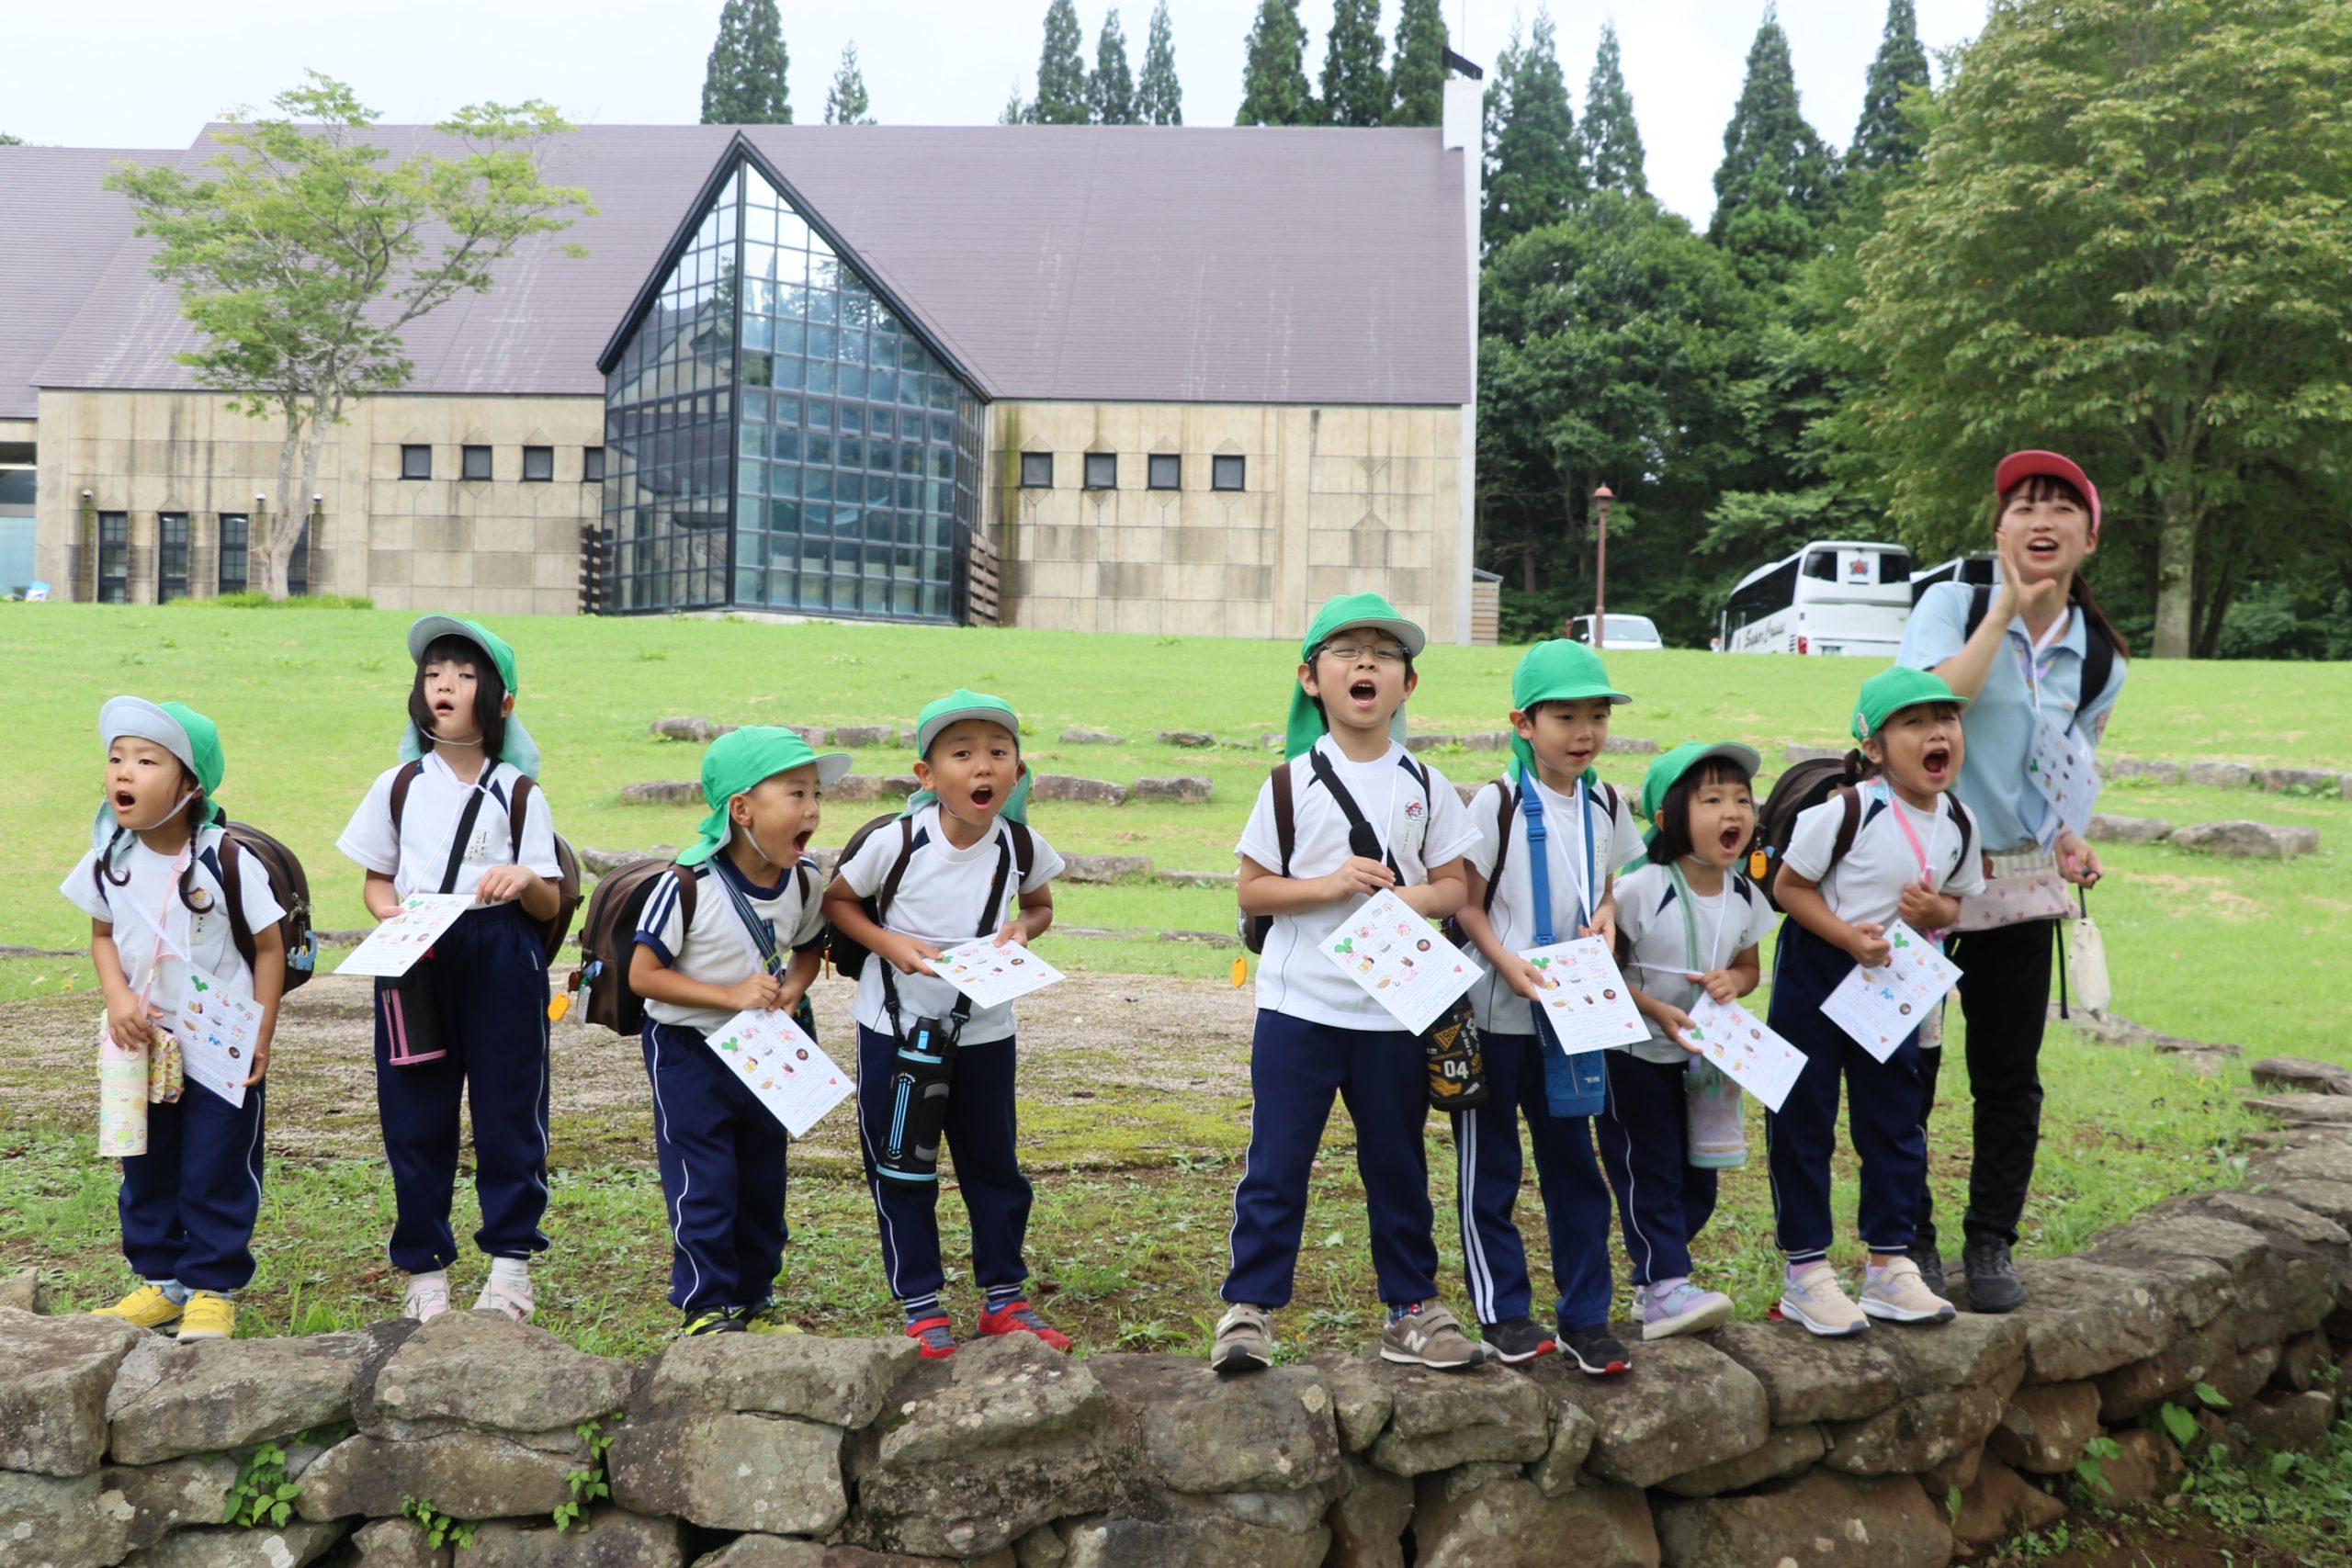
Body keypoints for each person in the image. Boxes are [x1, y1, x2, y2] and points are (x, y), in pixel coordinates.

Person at [1211, 592, 1483, 1376]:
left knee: (1397, 1160)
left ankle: (1412, 1307)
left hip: (1395, 1010)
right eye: (1347, 650)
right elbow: (1253, 890)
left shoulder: (1427, 786)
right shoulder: (1288, 786)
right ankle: (1249, 1309)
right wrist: (1330, 884)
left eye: (1386, 653)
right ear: (1310, 678)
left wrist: (1410, 898)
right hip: (1300, 1006)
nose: (1367, 662)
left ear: (1408, 686)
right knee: (1278, 1158)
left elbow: (1455, 888)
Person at [1898, 450, 2128, 1312]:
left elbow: (2070, 765)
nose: (2041, 519)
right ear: (1998, 530)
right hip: (1918, 882)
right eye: (2024, 505)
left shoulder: (2100, 658)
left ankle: (1989, 1240)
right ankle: (1904, 1239)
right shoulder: (1950, 606)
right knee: (1906, 1069)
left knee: (2007, 1076)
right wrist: (2003, 613)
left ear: (2088, 537)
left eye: (2062, 507)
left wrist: (2071, 836)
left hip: (2020, 884)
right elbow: (1926, 706)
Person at [824, 690, 1067, 1359]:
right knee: (902, 1165)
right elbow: (839, 903)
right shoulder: (895, 841)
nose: (982, 766)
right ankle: (922, 1304)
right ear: (926, 774)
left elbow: (1041, 904)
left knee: (994, 1163)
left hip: (986, 1030)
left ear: (1017, 770)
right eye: (961, 754)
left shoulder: (1019, 842)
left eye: (997, 752)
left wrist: (1022, 929)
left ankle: (1003, 1298)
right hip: (893, 1030)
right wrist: (891, 945)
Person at [335, 615, 565, 1325]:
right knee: (414, 1110)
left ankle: (510, 1265)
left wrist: (521, 878)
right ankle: (425, 1269)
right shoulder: (397, 784)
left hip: (501, 952)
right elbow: (377, 880)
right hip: (415, 957)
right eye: (435, 673)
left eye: (465, 675)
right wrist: (391, 915)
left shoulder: (519, 792)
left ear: (501, 700)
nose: (446, 685)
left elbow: (551, 896)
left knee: (509, 1108)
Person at [1766, 668, 1984, 1337]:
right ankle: (1806, 1272)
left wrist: (1936, 909)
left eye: (1945, 719)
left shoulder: (1959, 820)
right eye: (1913, 723)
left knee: (1894, 1122)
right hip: (1821, 966)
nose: (1936, 732)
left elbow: (1960, 901)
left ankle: (1891, 1264)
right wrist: (1845, 937)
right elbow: (1788, 888)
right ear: (1877, 747)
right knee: (1805, 1120)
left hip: (1894, 983)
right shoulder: (1847, 811)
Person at [1448, 639, 1645, 1374]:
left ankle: (1585, 1316)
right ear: (1523, 722)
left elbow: (1605, 883)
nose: (1584, 731)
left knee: (1575, 1165)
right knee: (1491, 1166)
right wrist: (1508, 964)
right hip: (1499, 1013)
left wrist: (1606, 921)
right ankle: (1504, 1313)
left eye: (1596, 714)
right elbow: (1467, 905)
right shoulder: (1494, 802)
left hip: (1574, 1014)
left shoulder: (1603, 798)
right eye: (1565, 715)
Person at [69, 698, 284, 1341]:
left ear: (191, 784)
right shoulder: (112, 857)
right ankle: (161, 1282)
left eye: (145, 759)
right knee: (146, 1161)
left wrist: (261, 1034)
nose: (123, 773)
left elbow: (270, 948)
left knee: (217, 1162)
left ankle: (212, 1285)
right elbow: (102, 935)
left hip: (221, 1043)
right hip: (142, 1040)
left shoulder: (227, 860)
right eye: (115, 758)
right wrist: (117, 999)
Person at [631, 728, 847, 1337]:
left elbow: (808, 948)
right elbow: (645, 974)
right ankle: (706, 1307)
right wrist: (728, 995)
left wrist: (795, 989)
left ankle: (754, 1299)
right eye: (795, 792)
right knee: (707, 1180)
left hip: (761, 1051)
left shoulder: (803, 880)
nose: (811, 809)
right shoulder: (686, 885)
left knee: (761, 1178)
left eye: (815, 794)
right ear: (742, 809)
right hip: (688, 1053)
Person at [1603, 741, 1770, 1341]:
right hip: (1636, 1055)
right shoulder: (1641, 887)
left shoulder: (1746, 892)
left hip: (1706, 1065)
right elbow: (1604, 975)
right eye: (1714, 799)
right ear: (1671, 815)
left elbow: (1749, 967)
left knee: (1700, 1178)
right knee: (1650, 1167)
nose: (1734, 811)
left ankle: (1656, 1276)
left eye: (1743, 799)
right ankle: (1666, 1283)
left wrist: (1736, 981)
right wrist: (1654, 1009)